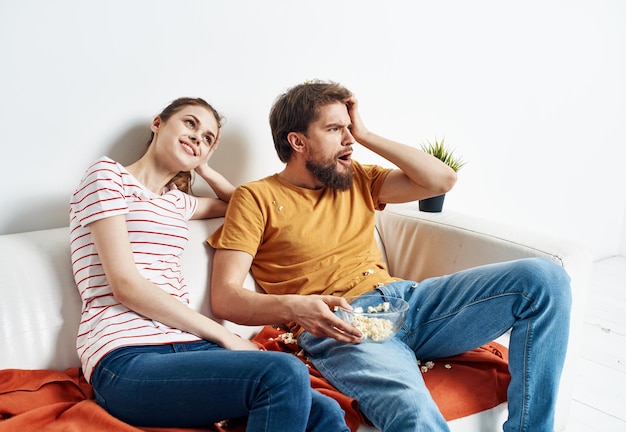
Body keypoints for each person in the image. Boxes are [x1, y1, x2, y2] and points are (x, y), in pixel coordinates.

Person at [208, 81, 572, 432]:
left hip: (409, 303)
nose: (349, 139)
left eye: (349, 128)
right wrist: (294, 307)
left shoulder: (357, 179)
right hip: (344, 324)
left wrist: (365, 133)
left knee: (545, 279)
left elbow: (441, 181)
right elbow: (225, 298)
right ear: (297, 141)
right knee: (412, 411)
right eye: (335, 129)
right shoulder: (254, 198)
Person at [69, 97, 350, 432]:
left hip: (188, 348)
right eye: (190, 124)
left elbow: (243, 204)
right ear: (158, 123)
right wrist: (225, 336)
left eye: (206, 139)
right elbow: (125, 285)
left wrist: (202, 167)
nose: (196, 138)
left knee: (325, 410)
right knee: (282, 373)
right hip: (125, 356)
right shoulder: (107, 176)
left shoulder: (177, 201)